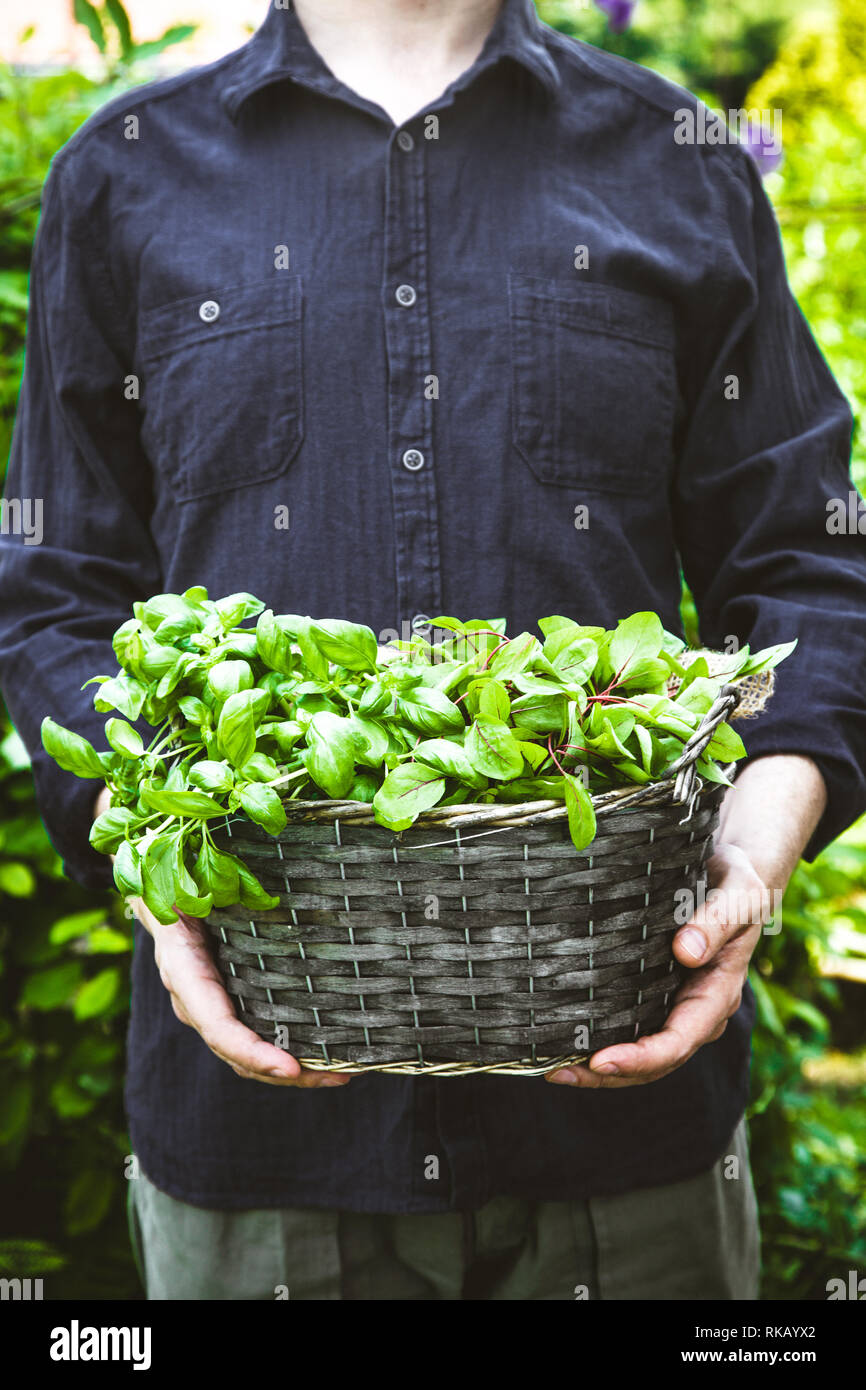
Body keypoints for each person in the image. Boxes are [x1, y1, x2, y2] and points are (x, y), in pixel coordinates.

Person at [1, 0, 864, 1301]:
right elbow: (56, 590)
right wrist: (148, 854)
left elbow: (810, 559)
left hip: (626, 1141)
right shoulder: (124, 170)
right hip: (259, 1145)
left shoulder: (677, 158)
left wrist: (758, 839)